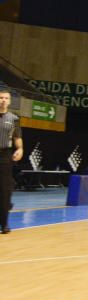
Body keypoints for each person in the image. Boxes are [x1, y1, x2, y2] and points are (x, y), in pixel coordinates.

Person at [0, 90, 24, 234]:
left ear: (9, 101)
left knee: (4, 191)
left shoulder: (14, 118)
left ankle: (4, 224)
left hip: (5, 156)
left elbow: (17, 137)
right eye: (0, 97)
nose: (3, 100)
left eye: (6, 98)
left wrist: (20, 149)